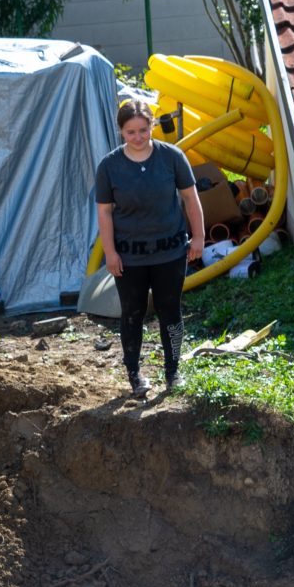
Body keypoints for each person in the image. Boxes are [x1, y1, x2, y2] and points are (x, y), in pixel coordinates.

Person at [95, 98, 206, 398]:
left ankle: (173, 371)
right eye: (131, 132)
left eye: (143, 130)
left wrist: (198, 237)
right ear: (121, 132)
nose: (138, 137)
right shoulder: (109, 166)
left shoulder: (172, 157)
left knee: (171, 310)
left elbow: (190, 198)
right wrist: (110, 252)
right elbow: (104, 212)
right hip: (129, 256)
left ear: (152, 127)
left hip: (169, 252)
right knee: (132, 313)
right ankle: (134, 373)